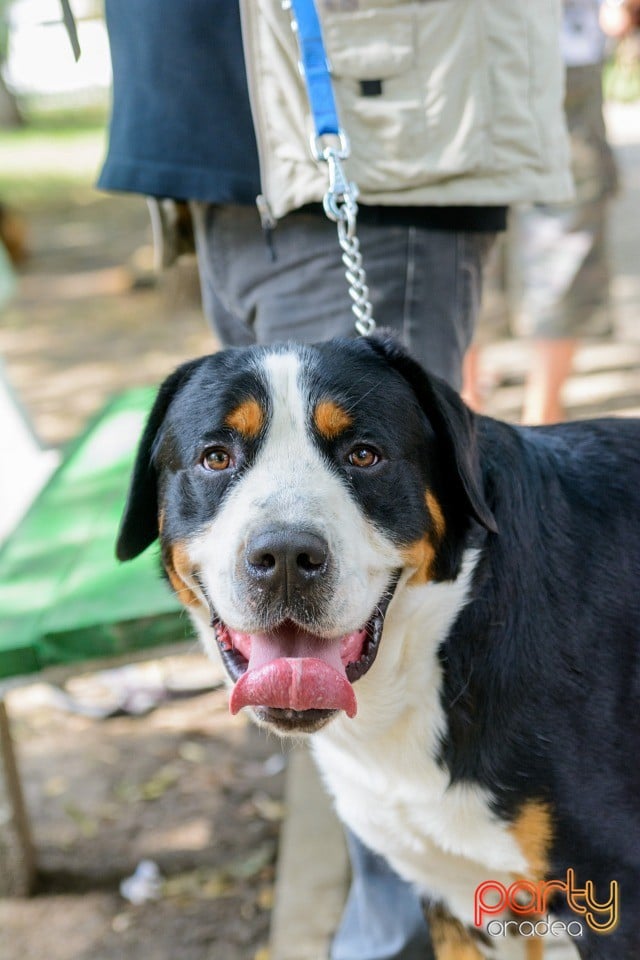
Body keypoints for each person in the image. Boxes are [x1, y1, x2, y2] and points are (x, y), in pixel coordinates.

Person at [98, 3, 572, 957]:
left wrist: (574, 909)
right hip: (219, 152)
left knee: (507, 818)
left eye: (357, 454)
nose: (274, 540)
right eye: (211, 464)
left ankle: (452, 930)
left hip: (368, 119)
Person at [464, 0, 627, 425]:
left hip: (467, 48)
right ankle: (538, 412)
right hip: (554, 47)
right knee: (565, 225)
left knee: (465, 221)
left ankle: (471, 407)